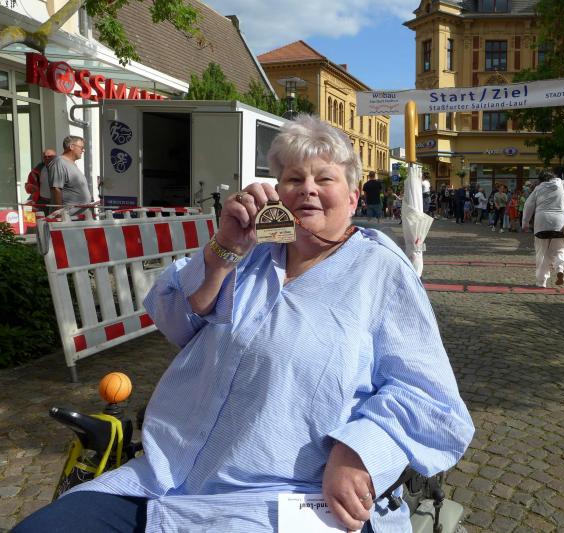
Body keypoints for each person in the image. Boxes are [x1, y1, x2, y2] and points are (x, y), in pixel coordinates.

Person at [13, 115, 474, 533]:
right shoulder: (251, 251)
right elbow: (174, 322)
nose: (307, 189)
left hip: (283, 498)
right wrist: (223, 252)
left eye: (324, 179)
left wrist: (357, 452)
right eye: (293, 178)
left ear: (353, 197)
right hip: (164, 478)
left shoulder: (380, 271)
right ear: (277, 191)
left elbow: (431, 400)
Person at [521, 170, 564, 288]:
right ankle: (560, 268)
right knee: (560, 250)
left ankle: (541, 282)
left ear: (541, 180)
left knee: (541, 253)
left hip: (541, 223)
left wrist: (525, 222)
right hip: (560, 223)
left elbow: (528, 205)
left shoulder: (538, 188)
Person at [49, 135, 91, 211]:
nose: (83, 150)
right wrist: (60, 213)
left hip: (78, 215)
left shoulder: (71, 163)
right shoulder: (59, 162)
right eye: (81, 148)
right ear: (71, 147)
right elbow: (56, 189)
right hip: (68, 216)